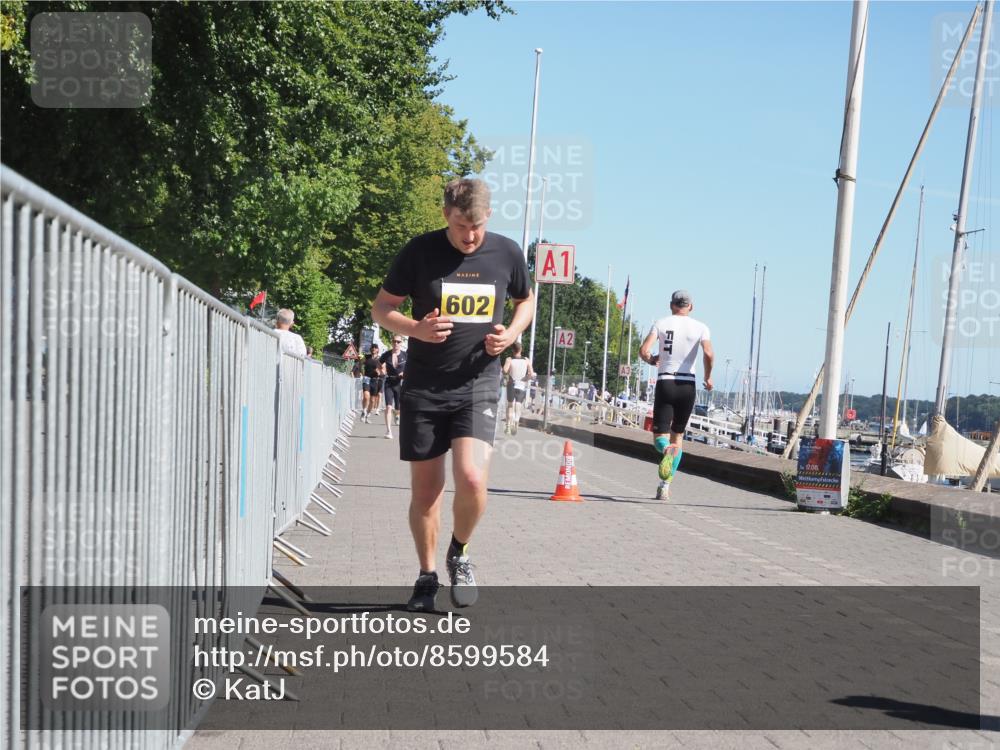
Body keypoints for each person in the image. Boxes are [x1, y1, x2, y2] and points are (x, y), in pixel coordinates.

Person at [371, 178, 533, 612]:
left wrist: (511, 334)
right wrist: (415, 329)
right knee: (426, 493)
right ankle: (426, 577)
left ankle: (460, 551)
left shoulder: (507, 253)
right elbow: (381, 308)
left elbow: (526, 302)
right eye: (462, 224)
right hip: (424, 386)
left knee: (473, 477)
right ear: (446, 215)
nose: (470, 235)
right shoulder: (419, 252)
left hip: (478, 384)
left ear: (489, 218)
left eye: (477, 225)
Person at [639, 290, 714, 501]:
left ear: (671, 305)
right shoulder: (701, 327)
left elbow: (644, 350)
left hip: (666, 381)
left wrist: (651, 360)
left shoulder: (661, 324)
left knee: (659, 439)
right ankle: (665, 485)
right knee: (678, 436)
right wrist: (708, 377)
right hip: (688, 385)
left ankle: (666, 450)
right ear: (691, 306)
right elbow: (708, 354)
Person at [502, 342, 533, 435]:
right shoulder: (526, 360)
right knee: (518, 405)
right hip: (521, 384)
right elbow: (531, 373)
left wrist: (507, 373)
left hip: (511, 384)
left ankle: (508, 426)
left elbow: (504, 370)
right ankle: (516, 421)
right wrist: (526, 379)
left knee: (510, 405)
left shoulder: (509, 359)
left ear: (513, 350)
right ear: (521, 349)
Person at [379, 336, 407, 439]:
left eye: (398, 342)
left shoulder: (405, 355)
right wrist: (381, 370)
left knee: (398, 408)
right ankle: (388, 431)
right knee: (388, 407)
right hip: (389, 382)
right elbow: (378, 363)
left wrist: (404, 373)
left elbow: (411, 366)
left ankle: (397, 414)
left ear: (401, 343)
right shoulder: (387, 354)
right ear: (392, 342)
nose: (396, 343)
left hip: (399, 383)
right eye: (394, 341)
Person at [361, 343, 381, 423]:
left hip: (375, 380)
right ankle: (364, 411)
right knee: (366, 396)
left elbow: (383, 369)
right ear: (370, 349)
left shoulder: (380, 359)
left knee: (372, 400)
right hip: (366, 378)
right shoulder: (366, 357)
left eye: (375, 348)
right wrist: (361, 371)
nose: (373, 349)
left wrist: (379, 372)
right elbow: (360, 364)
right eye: (372, 347)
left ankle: (368, 415)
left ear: (378, 350)